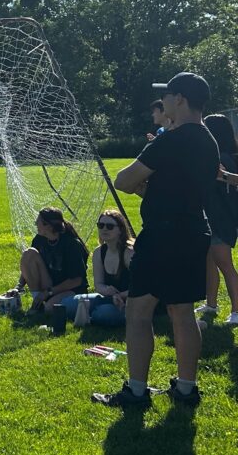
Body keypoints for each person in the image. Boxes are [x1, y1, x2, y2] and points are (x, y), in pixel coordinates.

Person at [93, 72, 220, 409]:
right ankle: (187, 389)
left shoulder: (169, 140)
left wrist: (143, 187)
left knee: (138, 312)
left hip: (162, 235)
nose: (162, 103)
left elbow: (123, 180)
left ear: (179, 99)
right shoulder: (209, 141)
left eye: (166, 97)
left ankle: (136, 392)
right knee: (183, 312)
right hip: (195, 232)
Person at [196, 114, 238, 325]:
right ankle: (211, 304)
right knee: (210, 262)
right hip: (211, 218)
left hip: (220, 220)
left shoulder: (223, 158)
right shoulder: (221, 155)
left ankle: (237, 311)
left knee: (224, 264)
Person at [62, 210, 133, 326]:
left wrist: (120, 296)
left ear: (120, 230)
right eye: (101, 225)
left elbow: (142, 288)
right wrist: (107, 291)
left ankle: (92, 315)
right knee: (66, 304)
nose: (104, 229)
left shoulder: (129, 253)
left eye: (110, 226)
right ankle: (90, 314)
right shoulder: (99, 252)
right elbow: (99, 285)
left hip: (130, 301)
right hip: (109, 298)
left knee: (103, 314)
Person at [14, 207, 89, 313]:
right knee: (28, 253)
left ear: (48, 225)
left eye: (38, 221)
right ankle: (37, 303)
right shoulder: (39, 239)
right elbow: (29, 266)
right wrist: (18, 287)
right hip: (49, 286)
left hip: (71, 289)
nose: (35, 223)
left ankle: (43, 305)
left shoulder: (72, 244)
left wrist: (48, 292)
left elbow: (76, 280)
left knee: (50, 308)